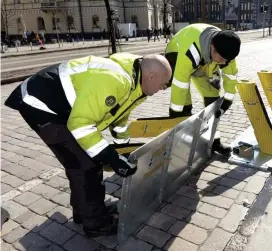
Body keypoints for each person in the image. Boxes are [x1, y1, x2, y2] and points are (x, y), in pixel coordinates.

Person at [4, 53, 172, 237]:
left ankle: (85, 212)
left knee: (83, 161)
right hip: (41, 105)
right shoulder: (116, 80)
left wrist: (124, 151)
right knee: (86, 165)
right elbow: (81, 125)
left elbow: (119, 119)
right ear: (151, 76)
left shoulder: (137, 84)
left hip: (62, 108)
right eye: (163, 83)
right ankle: (96, 224)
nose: (163, 89)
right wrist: (112, 159)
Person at [164, 23, 241, 156]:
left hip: (204, 62)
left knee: (213, 102)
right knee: (183, 104)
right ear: (213, 47)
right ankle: (180, 145)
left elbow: (231, 78)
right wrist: (175, 115)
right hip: (177, 53)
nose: (223, 63)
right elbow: (180, 84)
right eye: (222, 60)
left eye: (226, 61)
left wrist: (226, 103)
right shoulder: (191, 52)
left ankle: (214, 142)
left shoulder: (226, 51)